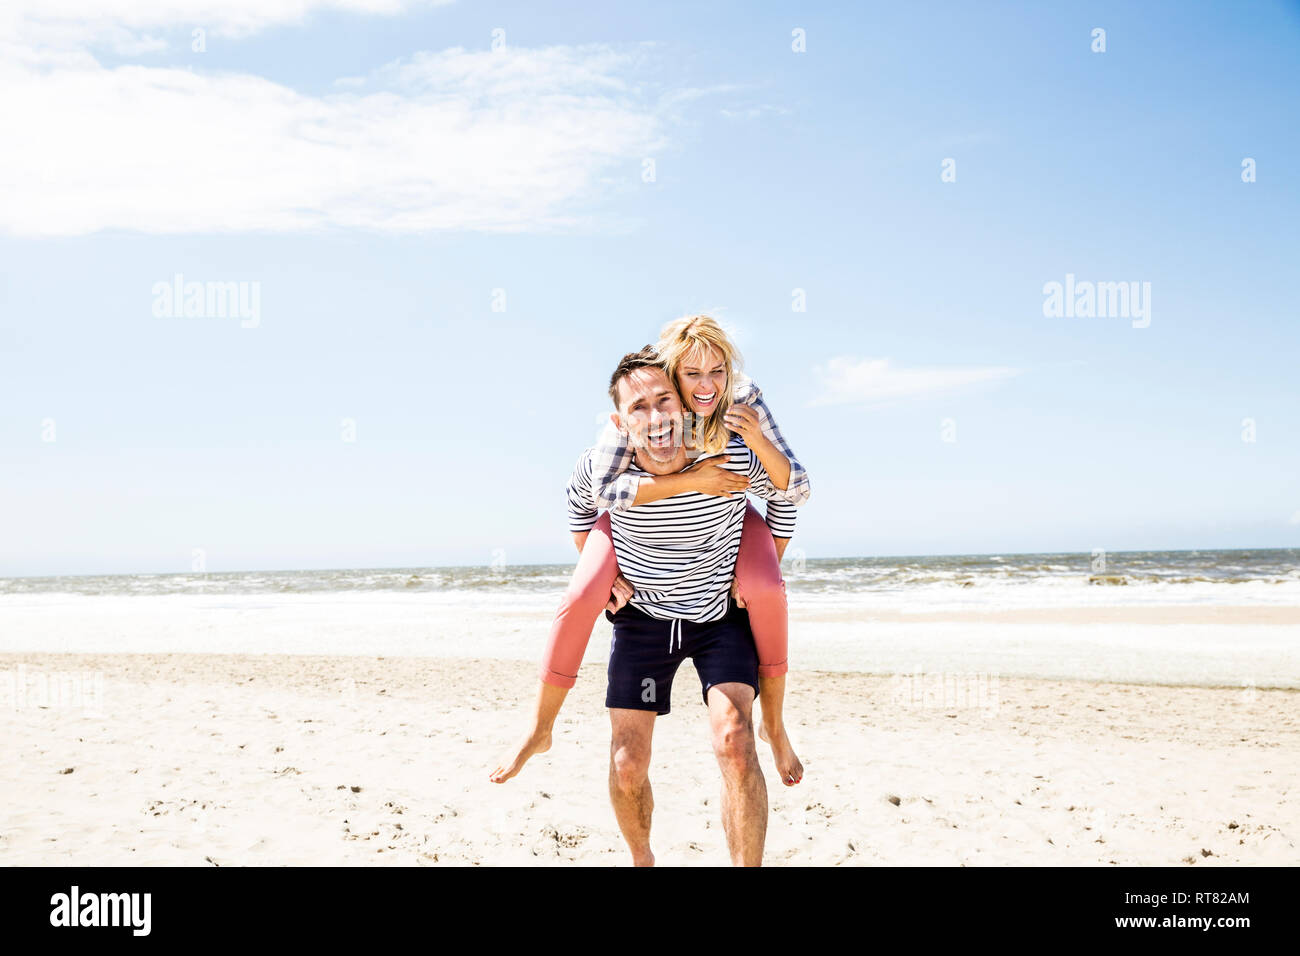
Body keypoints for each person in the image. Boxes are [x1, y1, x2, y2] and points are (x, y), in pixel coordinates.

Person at [491, 349, 804, 865]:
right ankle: (642, 858)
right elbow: (578, 508)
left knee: (735, 744)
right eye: (639, 407)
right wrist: (605, 575)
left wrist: (763, 564)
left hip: (718, 618)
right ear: (619, 421)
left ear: (684, 406)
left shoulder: (728, 453)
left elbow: (788, 493)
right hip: (644, 622)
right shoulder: (601, 465)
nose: (656, 418)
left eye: (665, 401)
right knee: (627, 762)